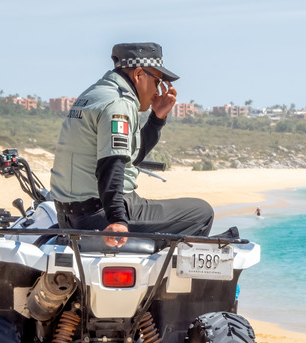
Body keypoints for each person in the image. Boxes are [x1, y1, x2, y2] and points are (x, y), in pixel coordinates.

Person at [49, 42, 213, 247]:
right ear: (138, 74)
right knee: (201, 212)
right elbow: (112, 164)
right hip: (100, 214)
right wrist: (117, 219)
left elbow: (130, 156)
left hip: (69, 215)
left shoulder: (94, 94)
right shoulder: (119, 104)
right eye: (157, 81)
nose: (158, 90)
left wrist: (157, 118)